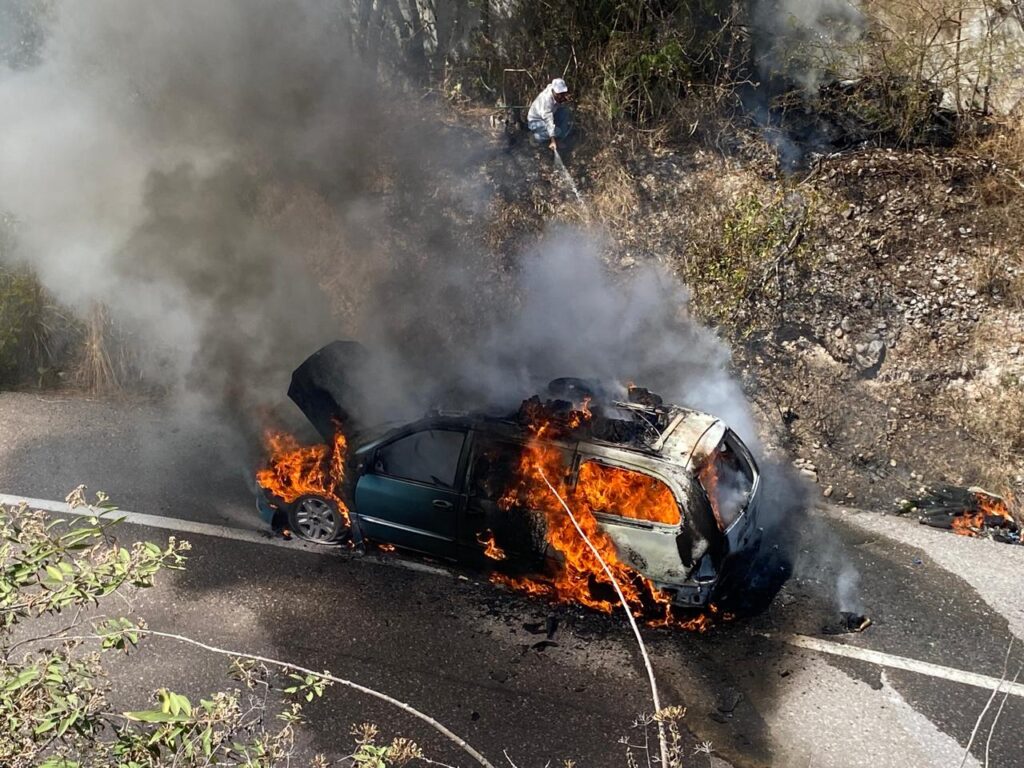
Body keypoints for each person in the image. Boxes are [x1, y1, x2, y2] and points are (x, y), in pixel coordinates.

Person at [527, 78, 573, 150]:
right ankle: (535, 137)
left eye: (562, 93)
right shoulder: (546, 101)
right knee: (557, 131)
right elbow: (549, 121)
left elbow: (559, 106)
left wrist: (566, 100)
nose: (561, 96)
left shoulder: (556, 92)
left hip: (551, 115)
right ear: (554, 91)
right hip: (536, 121)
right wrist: (553, 141)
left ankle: (560, 140)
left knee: (564, 112)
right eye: (559, 94)